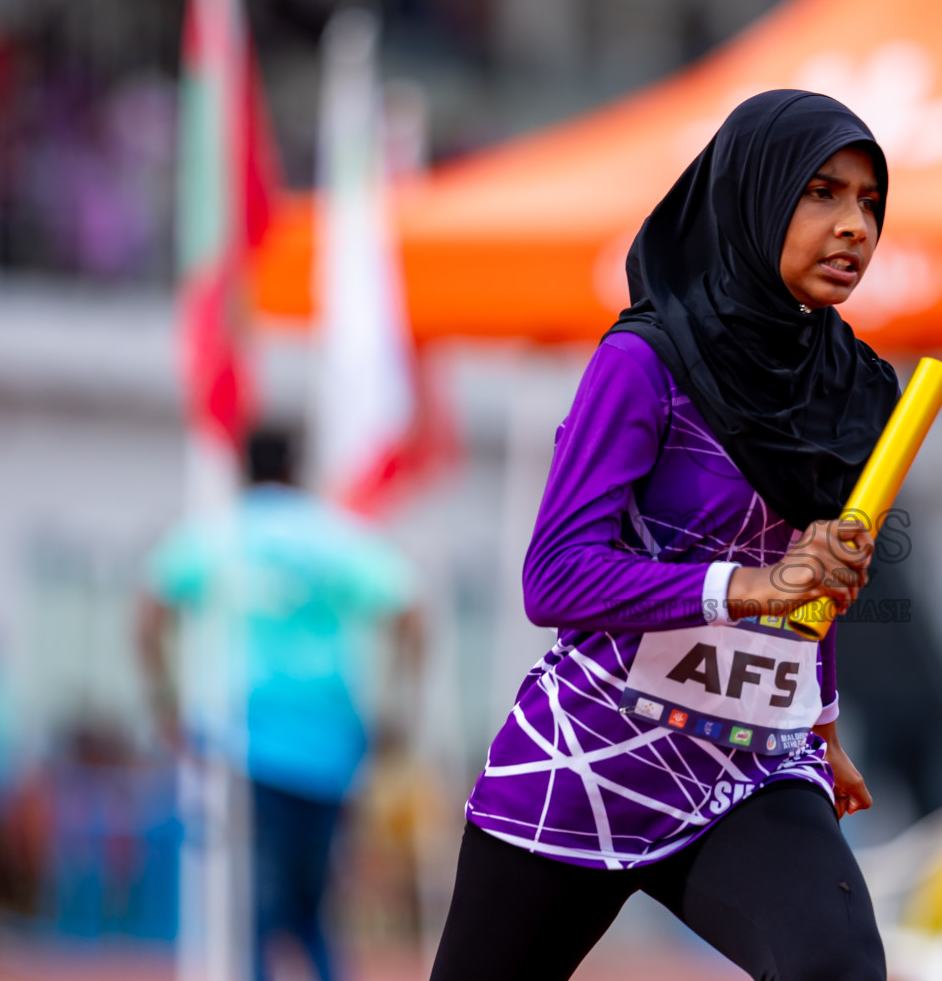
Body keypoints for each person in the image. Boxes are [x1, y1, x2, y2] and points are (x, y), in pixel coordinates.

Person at [430, 90, 900, 981]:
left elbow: (812, 585)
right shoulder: (643, 363)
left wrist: (825, 724)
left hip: (751, 767)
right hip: (594, 752)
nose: (855, 229)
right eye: (823, 194)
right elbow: (555, 579)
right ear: (754, 196)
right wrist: (746, 585)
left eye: (871, 205)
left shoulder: (852, 387)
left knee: (837, 971)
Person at [138, 426, 423, 981]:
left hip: (245, 744)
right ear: (298, 469)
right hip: (332, 746)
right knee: (311, 909)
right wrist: (398, 708)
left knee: (251, 912)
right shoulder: (337, 536)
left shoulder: (219, 534)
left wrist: (167, 705)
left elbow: (148, 614)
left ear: (243, 469)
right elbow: (414, 616)